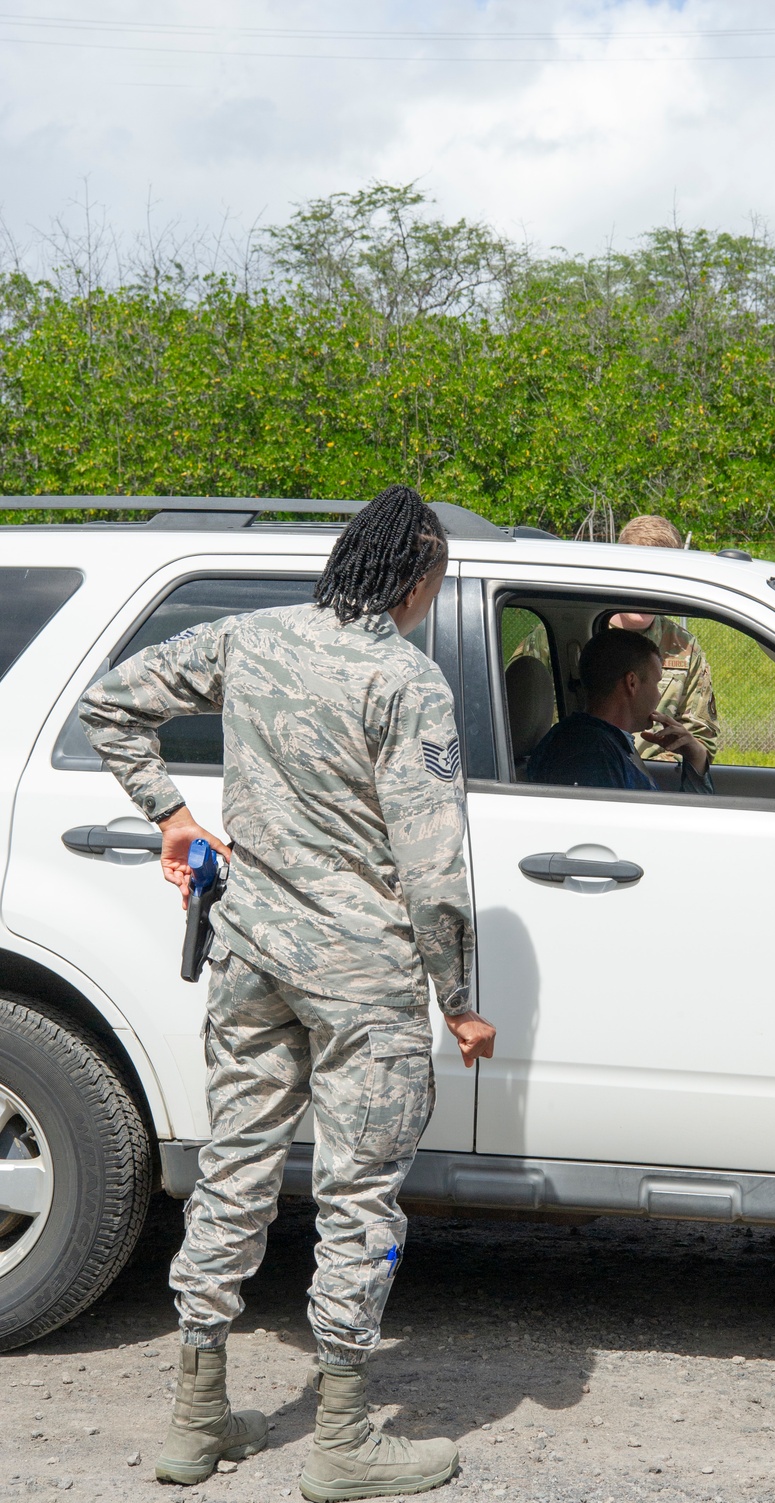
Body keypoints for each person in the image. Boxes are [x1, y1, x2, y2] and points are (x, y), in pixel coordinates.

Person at [79, 486, 497, 1501]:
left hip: (252, 961)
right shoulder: (407, 682)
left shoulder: (249, 640)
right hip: (362, 980)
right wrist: (459, 998)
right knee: (357, 1195)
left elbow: (111, 703)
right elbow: (434, 871)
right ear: (418, 578)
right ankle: (344, 1440)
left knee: (233, 1171)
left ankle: (196, 1422)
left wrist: (172, 816)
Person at [611, 514, 720, 791]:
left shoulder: (684, 647)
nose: (644, 590)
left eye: (655, 578)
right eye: (635, 574)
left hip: (658, 792)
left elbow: (702, 743)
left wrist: (685, 751)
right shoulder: (557, 636)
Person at [527, 628, 681, 789]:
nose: (659, 695)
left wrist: (695, 761)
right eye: (656, 684)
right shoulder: (591, 754)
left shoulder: (603, 742)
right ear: (632, 683)